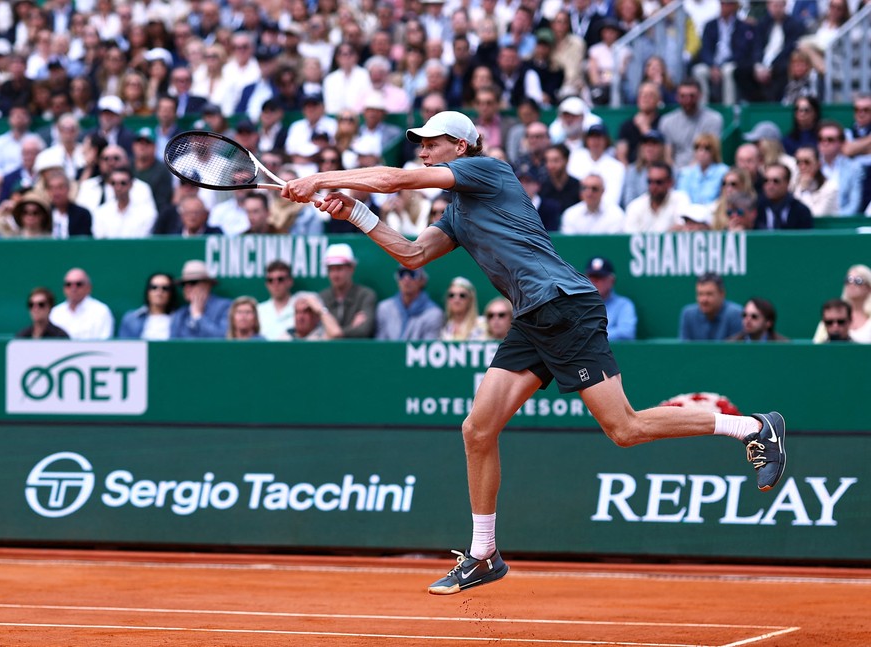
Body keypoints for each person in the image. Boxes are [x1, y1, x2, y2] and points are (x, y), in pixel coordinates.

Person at [283, 110, 787, 594]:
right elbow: (412, 254)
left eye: (433, 143)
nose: (425, 150)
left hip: (565, 307)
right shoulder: (457, 212)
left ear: (460, 146)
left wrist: (322, 178)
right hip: (531, 317)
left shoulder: (487, 169)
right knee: (477, 428)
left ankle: (753, 427)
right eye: (421, 144)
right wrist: (353, 210)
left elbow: (395, 180)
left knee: (624, 428)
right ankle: (484, 555)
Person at [658, 79, 723, 168]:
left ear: (700, 95)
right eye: (683, 96)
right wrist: (674, 173)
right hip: (674, 173)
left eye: (692, 96)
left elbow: (709, 152)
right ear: (677, 97)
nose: (687, 100)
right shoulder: (667, 121)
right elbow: (667, 155)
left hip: (704, 170)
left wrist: (687, 174)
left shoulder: (714, 119)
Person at [318, 243, 377, 338]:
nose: (335, 274)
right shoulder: (322, 296)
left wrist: (334, 333)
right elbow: (319, 333)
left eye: (339, 268)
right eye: (331, 269)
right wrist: (351, 327)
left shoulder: (366, 295)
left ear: (352, 268)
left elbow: (364, 330)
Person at [372, 265, 444, 341]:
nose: (406, 279)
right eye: (402, 274)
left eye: (412, 274)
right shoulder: (384, 308)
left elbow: (427, 348)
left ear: (423, 281)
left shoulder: (434, 314)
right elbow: (380, 344)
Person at [170, 260, 231, 339]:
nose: (187, 287)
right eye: (184, 284)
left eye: (193, 282)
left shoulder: (226, 307)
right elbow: (173, 346)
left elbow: (223, 338)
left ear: (207, 285)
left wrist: (198, 317)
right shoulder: (180, 314)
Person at [623, 162, 691, 233]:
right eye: (650, 182)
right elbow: (630, 238)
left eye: (659, 182)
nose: (653, 187)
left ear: (670, 183)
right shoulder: (635, 206)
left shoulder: (680, 199)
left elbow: (682, 227)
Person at [49, 268, 115, 340]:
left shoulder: (101, 311)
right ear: (64, 288)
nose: (73, 288)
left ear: (88, 287)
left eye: (78, 284)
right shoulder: (55, 312)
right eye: (68, 284)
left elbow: (105, 344)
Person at [813, 264, 871, 343]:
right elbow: (816, 346)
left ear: (869, 287)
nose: (852, 284)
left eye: (858, 280)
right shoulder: (831, 316)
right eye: (848, 280)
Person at [584, 257, 636, 341]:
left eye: (600, 277)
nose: (595, 282)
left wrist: (591, 335)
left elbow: (627, 333)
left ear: (612, 280)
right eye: (592, 277)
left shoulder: (623, 304)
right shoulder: (578, 304)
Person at [678, 272, 743, 341]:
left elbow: (737, 350)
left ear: (722, 294)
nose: (704, 300)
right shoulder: (688, 314)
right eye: (700, 294)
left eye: (709, 294)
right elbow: (683, 349)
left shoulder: (736, 314)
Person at [118, 272, 178, 340]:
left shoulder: (181, 319)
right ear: (147, 292)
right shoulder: (131, 319)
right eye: (154, 287)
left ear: (171, 293)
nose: (159, 292)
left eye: (165, 288)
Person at [560, 173, 626, 234]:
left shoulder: (616, 214)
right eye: (584, 188)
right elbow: (569, 243)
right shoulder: (570, 214)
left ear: (602, 191)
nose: (589, 193)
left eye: (594, 189)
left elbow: (614, 243)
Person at [756, 163, 814, 230]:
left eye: (776, 181)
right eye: (766, 181)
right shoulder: (756, 209)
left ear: (787, 183)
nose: (770, 186)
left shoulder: (800, 211)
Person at [676, 134, 728, 206]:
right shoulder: (686, 173)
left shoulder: (724, 172)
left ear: (714, 151)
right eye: (697, 148)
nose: (701, 152)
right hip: (688, 213)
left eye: (707, 148)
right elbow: (681, 198)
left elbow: (724, 198)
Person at [792, 146, 838, 217]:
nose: (802, 167)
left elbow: (814, 216)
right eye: (798, 162)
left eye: (807, 162)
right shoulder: (793, 184)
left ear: (818, 164)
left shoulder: (830, 188)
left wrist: (804, 191)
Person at [257, 260, 296, 341]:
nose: (275, 283)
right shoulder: (259, 310)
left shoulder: (301, 308)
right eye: (270, 280)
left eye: (280, 279)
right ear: (267, 284)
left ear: (290, 281)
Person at [440, 276, 488, 341]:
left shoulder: (483, 325)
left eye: (462, 295)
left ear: (470, 299)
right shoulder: (443, 328)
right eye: (451, 295)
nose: (456, 300)